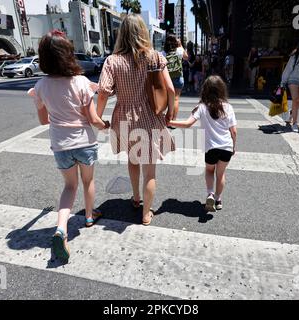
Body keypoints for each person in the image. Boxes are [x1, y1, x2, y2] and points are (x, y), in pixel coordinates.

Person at [28, 31, 109, 261]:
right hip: (84, 142)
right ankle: (90, 216)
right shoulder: (81, 82)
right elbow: (94, 120)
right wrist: (106, 125)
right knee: (88, 181)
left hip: (60, 144)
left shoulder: (41, 85)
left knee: (69, 187)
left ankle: (60, 229)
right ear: (68, 55)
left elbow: (44, 121)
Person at [96, 14, 176, 226]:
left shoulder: (112, 61)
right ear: (143, 32)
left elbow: (103, 91)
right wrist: (170, 112)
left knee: (132, 160)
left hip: (124, 117)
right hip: (149, 116)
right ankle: (146, 214)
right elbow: (170, 88)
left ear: (121, 34)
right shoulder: (155, 57)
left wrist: (97, 117)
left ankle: (136, 198)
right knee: (150, 171)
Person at [168, 76, 237, 213]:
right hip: (226, 147)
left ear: (205, 90)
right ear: (222, 90)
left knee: (210, 171)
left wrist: (169, 123)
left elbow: (187, 124)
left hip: (211, 148)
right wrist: (233, 147)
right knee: (221, 174)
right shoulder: (228, 107)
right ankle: (218, 200)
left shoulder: (201, 107)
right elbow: (233, 131)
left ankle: (210, 194)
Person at [163, 35, 188, 126]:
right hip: (178, 77)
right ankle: (173, 121)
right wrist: (180, 45)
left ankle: (167, 119)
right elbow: (186, 57)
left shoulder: (163, 53)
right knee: (176, 99)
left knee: (168, 99)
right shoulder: (179, 51)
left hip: (167, 79)